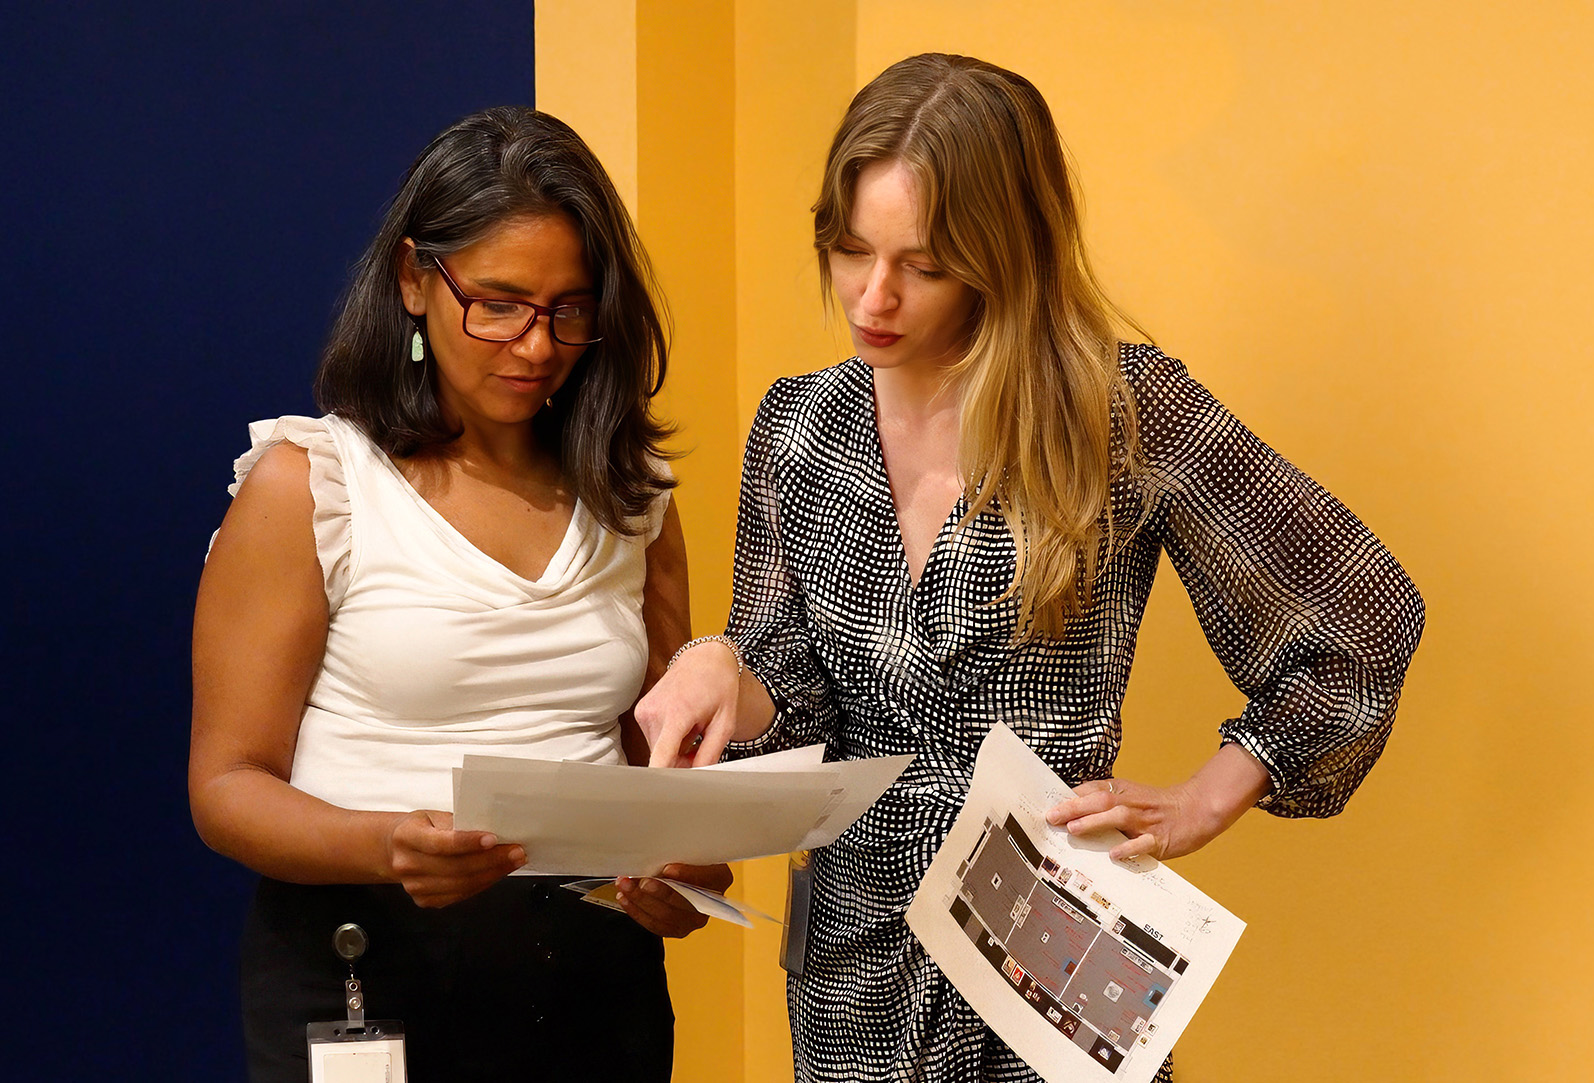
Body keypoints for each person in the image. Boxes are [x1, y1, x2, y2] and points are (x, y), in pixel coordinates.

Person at [635, 53, 1425, 1082]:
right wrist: (714, 666)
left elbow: (1362, 618)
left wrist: (1208, 795)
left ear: (1003, 254)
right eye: (847, 250)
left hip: (1060, 939)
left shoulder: (1117, 413)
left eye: (921, 266)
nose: (872, 297)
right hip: (853, 962)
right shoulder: (798, 424)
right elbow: (792, 701)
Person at [189, 106, 729, 1083]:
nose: (535, 346)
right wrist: (385, 844)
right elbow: (226, 789)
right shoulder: (311, 483)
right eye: (500, 303)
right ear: (412, 279)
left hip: (591, 983)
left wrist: (684, 872)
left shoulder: (630, 496)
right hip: (363, 968)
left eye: (571, 309)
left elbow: (659, 769)